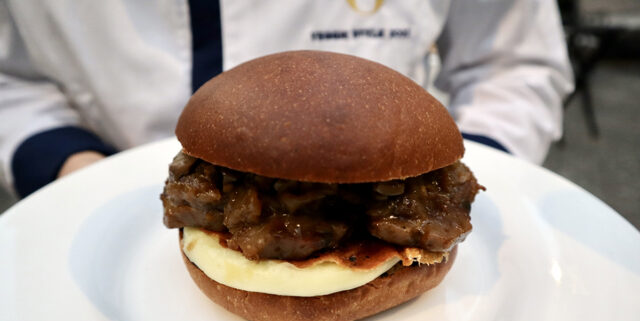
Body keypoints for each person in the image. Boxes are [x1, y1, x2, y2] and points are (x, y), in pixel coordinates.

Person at [0, 0, 573, 198]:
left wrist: (455, 183)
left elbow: (513, 61)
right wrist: (70, 170)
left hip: (396, 173)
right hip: (109, 167)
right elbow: (10, 79)